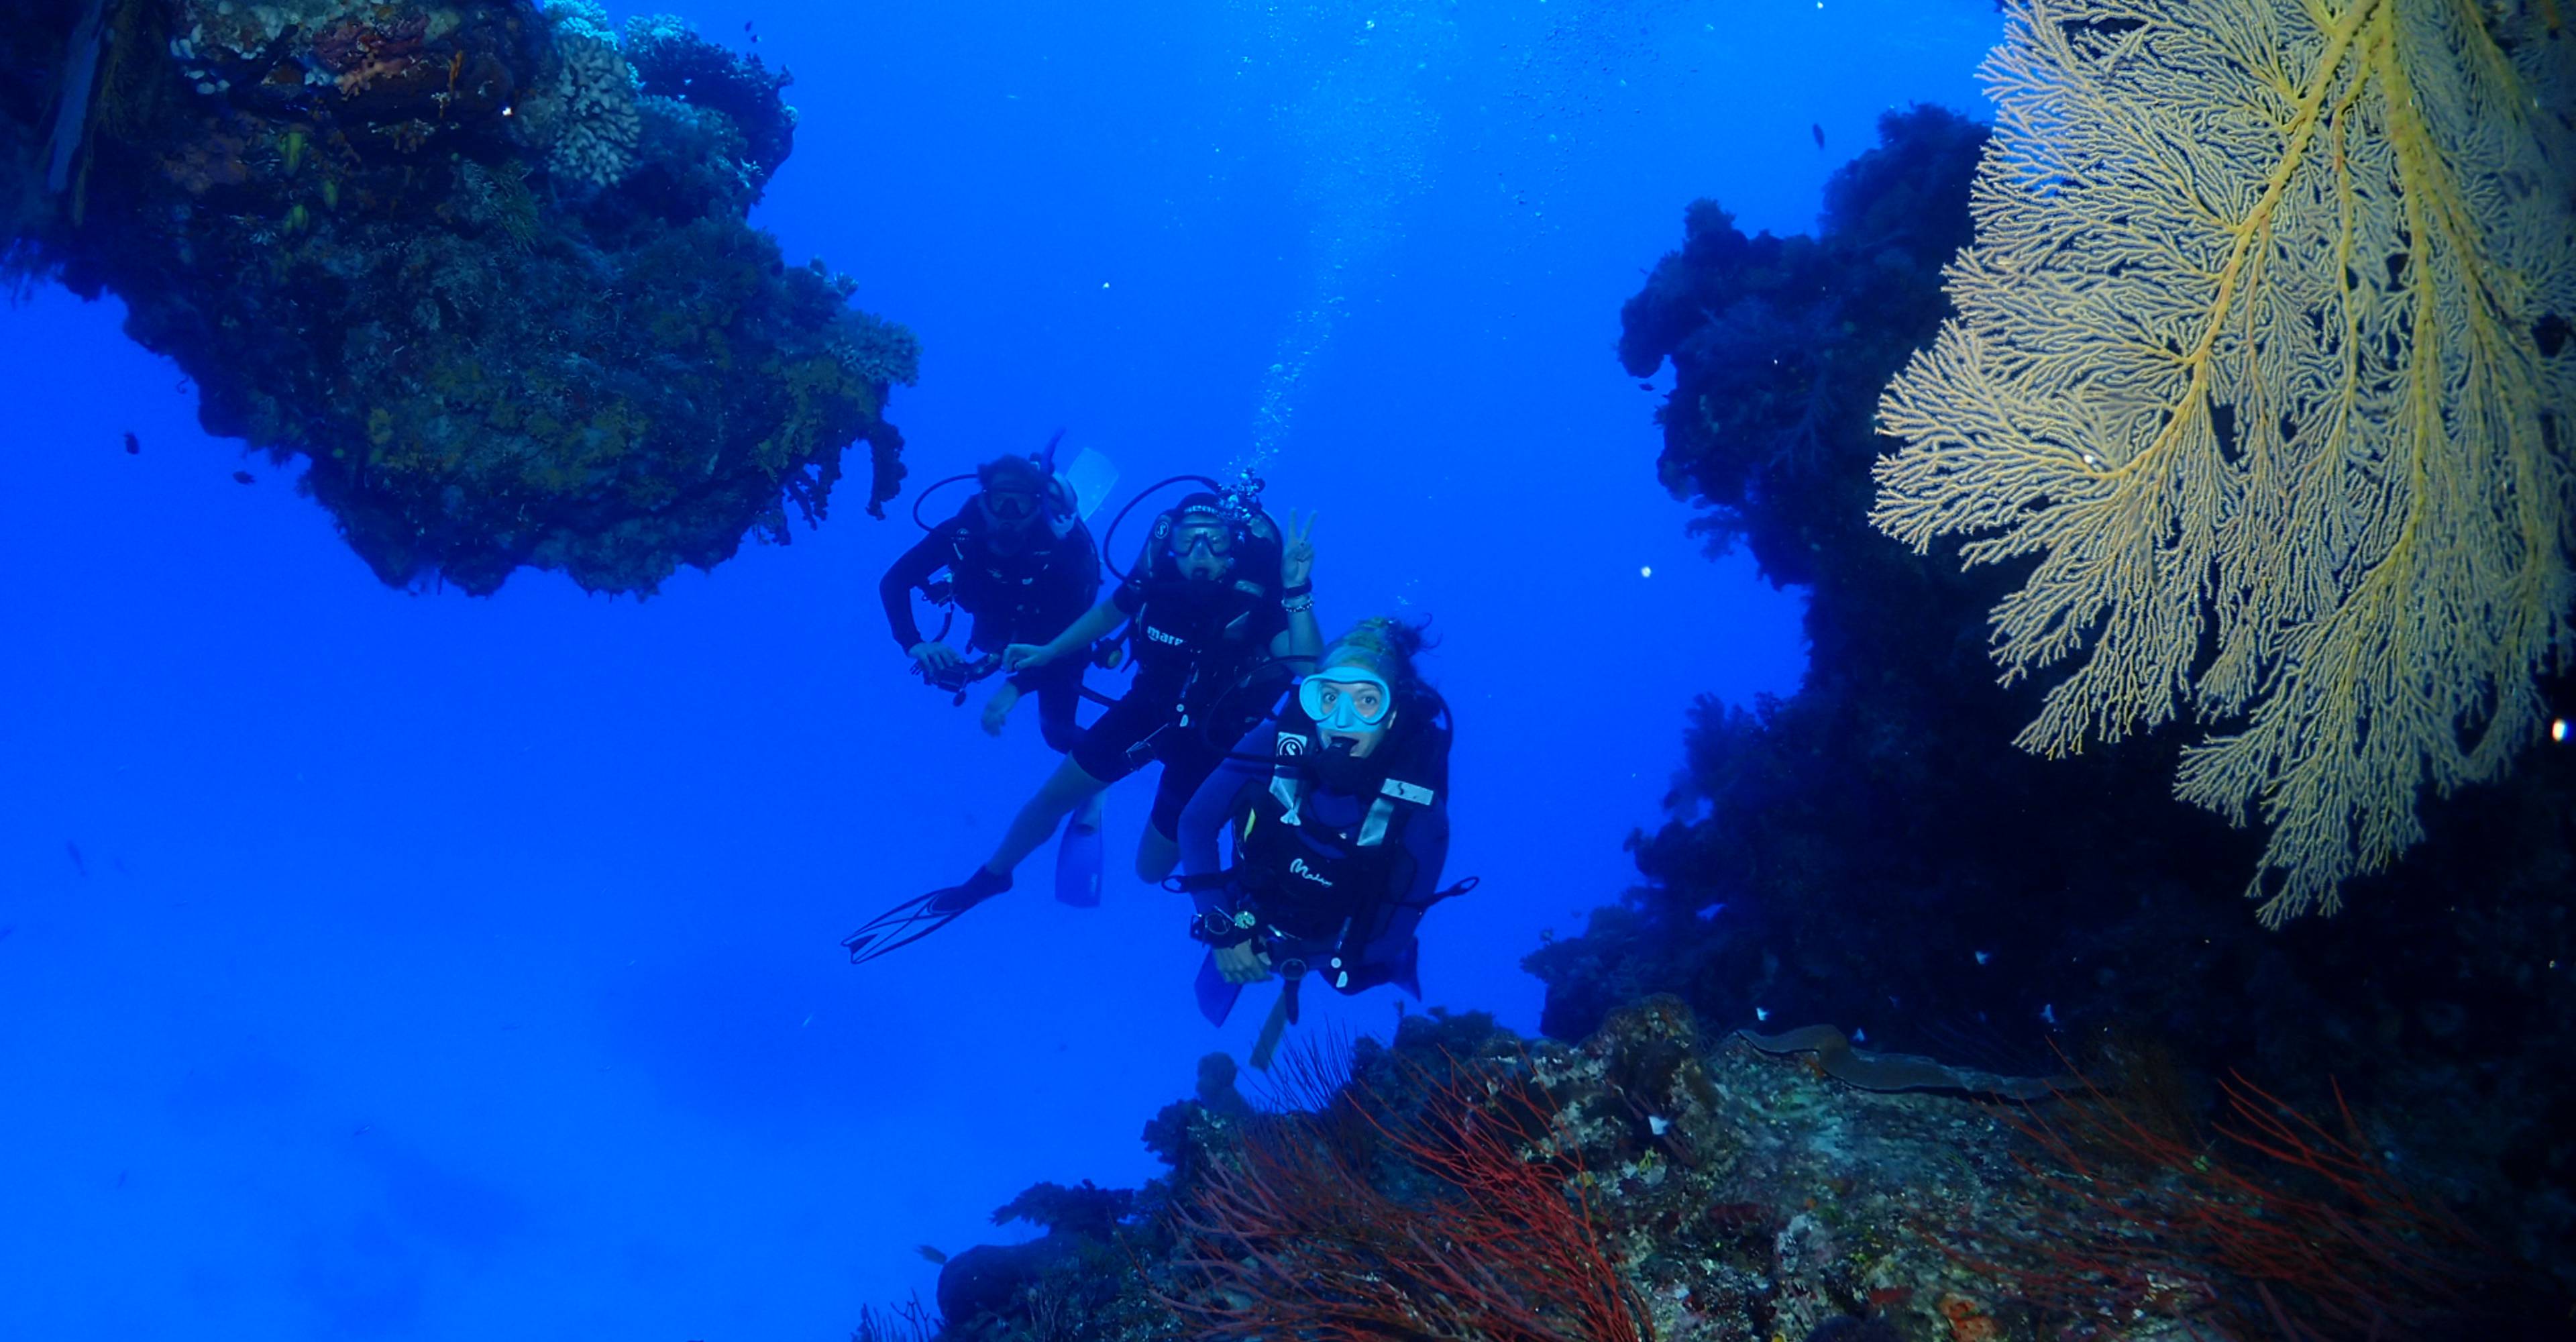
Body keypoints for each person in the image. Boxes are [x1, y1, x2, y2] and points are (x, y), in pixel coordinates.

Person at [841, 493, 1320, 962]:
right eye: (1187, 541)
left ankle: (1251, 854)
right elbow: (1107, 613)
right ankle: (991, 877)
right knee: (1052, 796)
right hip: (1145, 710)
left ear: (1232, 545)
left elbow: (1306, 665)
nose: (1200, 555)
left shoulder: (1255, 602)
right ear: (1169, 542)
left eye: (1213, 542)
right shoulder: (1155, 578)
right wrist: (1049, 652)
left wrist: (1296, 590)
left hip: (1212, 736)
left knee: (1150, 870)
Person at [1169, 617, 1469, 1066]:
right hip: (1261, 891)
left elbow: (1392, 932)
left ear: (1392, 715)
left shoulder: (1422, 813)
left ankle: (1385, 969)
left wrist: (1294, 959)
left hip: (1344, 927)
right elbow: (1194, 825)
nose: (1342, 721)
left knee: (1348, 978)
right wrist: (1223, 928)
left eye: (1366, 701)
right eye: (1329, 698)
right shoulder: (1273, 743)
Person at [879, 450, 1102, 751]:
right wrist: (913, 643)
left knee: (1058, 733)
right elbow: (895, 581)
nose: (1009, 513)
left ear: (1037, 506)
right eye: (1000, 499)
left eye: (1021, 502)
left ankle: (1100, 775)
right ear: (984, 501)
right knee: (988, 643)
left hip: (1054, 635)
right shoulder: (961, 534)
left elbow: (1075, 641)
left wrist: (1015, 687)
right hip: (994, 626)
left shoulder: (1061, 555)